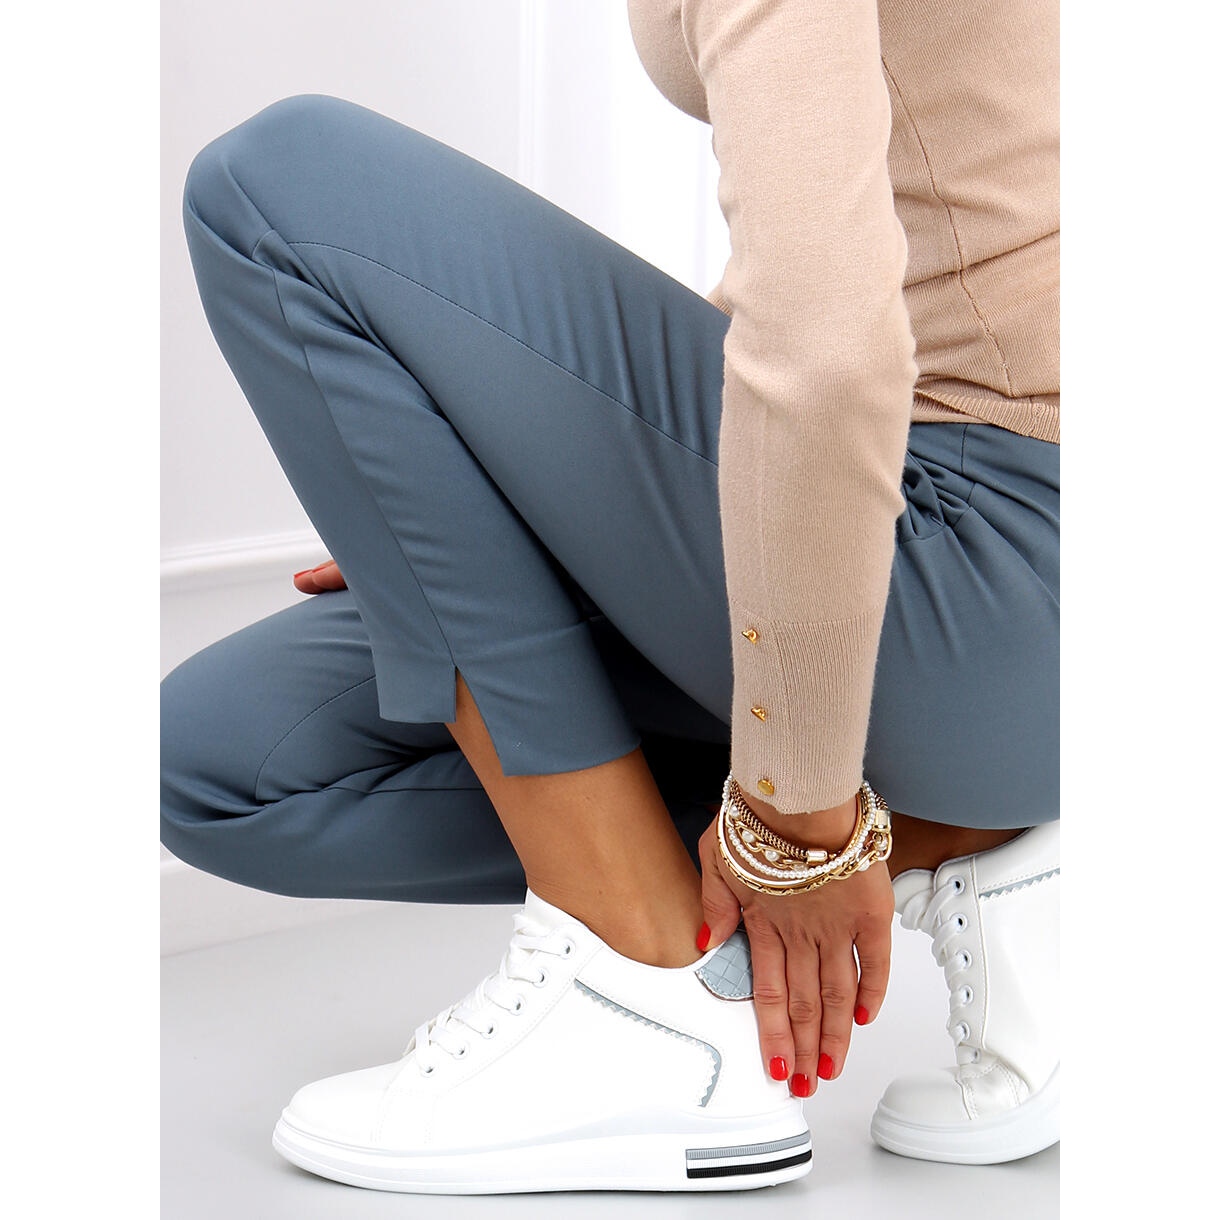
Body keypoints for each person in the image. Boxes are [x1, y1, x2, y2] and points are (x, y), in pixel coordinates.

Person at [161, 0, 1059, 1193]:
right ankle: (979, 831)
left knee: (277, 182)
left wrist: (796, 824)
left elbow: (823, 354)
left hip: (990, 557)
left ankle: (639, 985)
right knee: (226, 759)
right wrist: (446, 509)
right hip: (1021, 622)